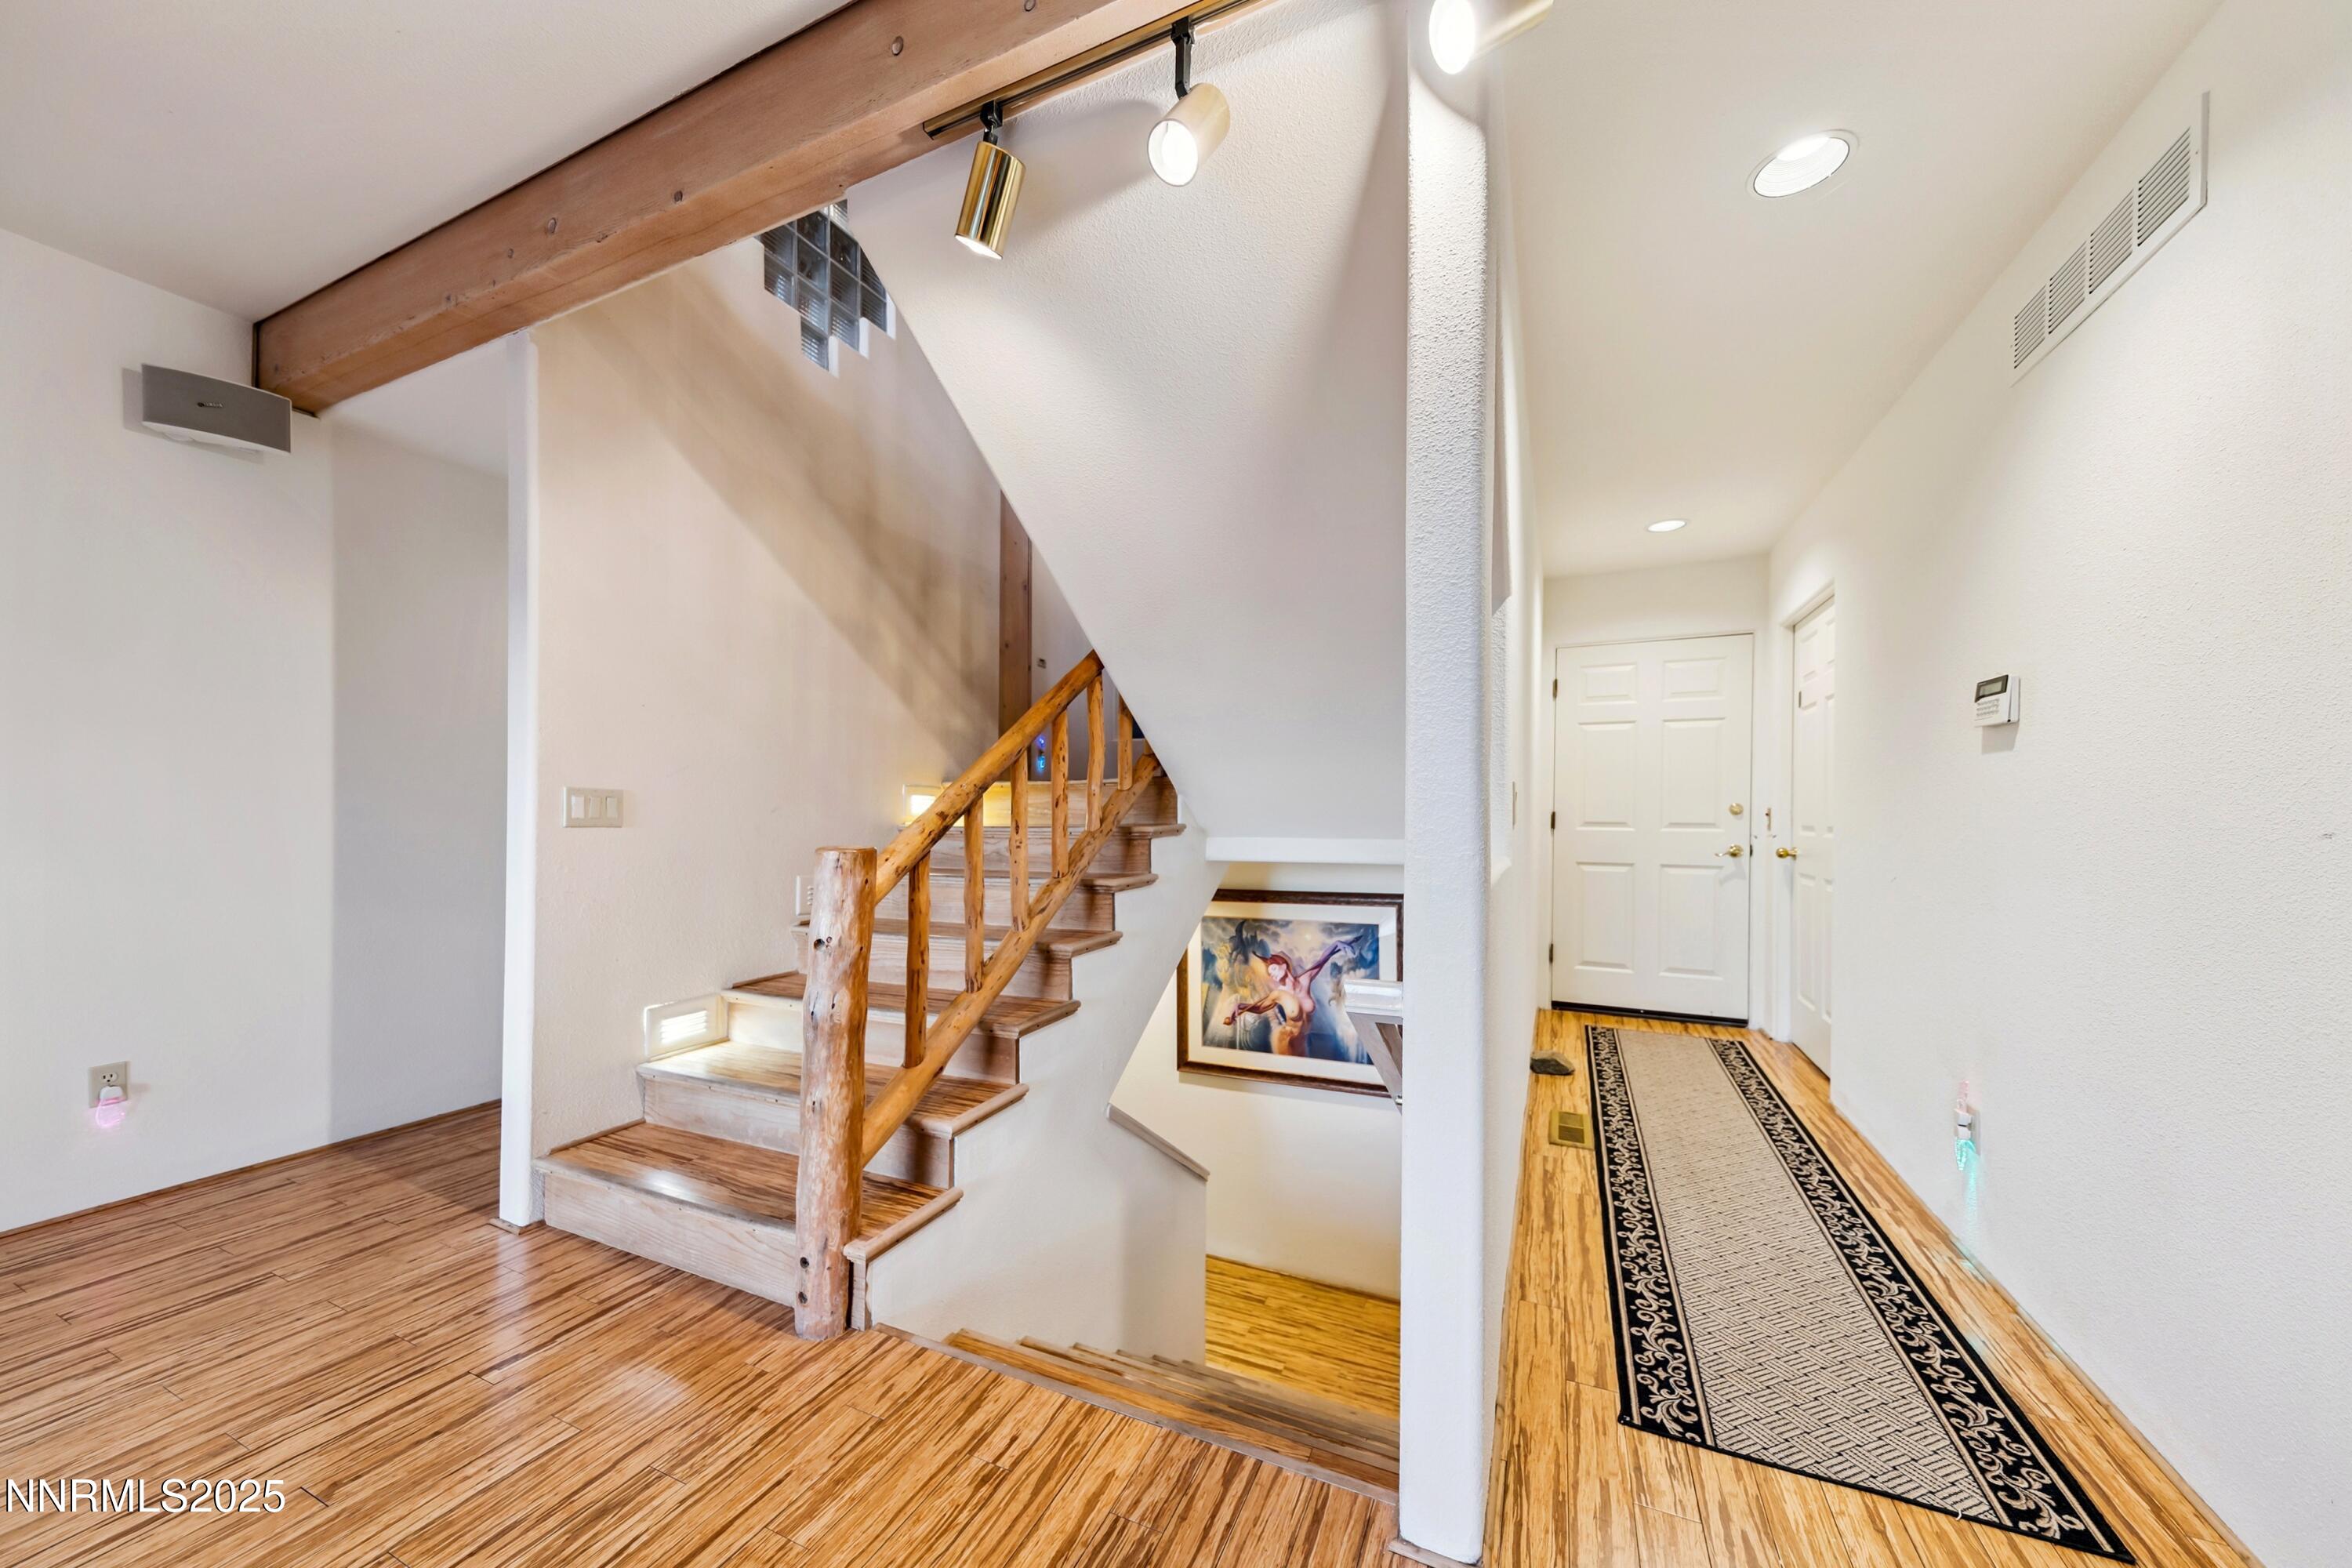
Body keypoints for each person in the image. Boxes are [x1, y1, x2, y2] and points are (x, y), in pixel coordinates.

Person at [1218, 939, 1355, 1057]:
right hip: (1286, 1040)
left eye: (1274, 970)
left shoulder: (1305, 979)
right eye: (1271, 974)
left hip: (1303, 1041)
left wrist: (1337, 944)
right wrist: (1240, 1006)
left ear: (1283, 965)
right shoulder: (1278, 994)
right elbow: (1260, 1008)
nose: (1273, 976)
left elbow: (1322, 960)